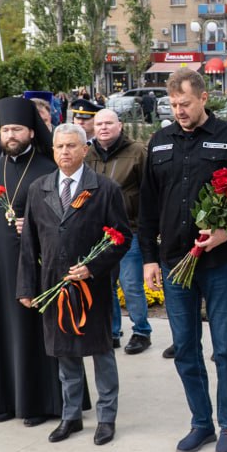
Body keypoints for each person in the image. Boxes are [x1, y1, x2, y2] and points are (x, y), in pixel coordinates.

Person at [140, 66, 227, 452]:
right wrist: (148, 259)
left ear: (203, 99)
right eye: (174, 104)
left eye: (186, 104)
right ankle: (200, 423)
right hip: (176, 263)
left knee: (226, 347)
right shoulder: (159, 142)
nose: (179, 111)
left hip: (220, 263)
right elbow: (146, 207)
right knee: (186, 348)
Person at [19, 123, 130, 445]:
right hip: (54, 284)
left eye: (71, 146)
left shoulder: (104, 189)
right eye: (59, 147)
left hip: (91, 288)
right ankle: (71, 416)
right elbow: (29, 244)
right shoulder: (39, 189)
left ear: (85, 150)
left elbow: (122, 238)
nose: (65, 152)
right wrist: (27, 287)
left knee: (101, 353)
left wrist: (93, 267)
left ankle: (106, 417)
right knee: (65, 355)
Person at [0, 97, 72, 425]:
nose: (10, 135)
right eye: (5, 130)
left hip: (39, 264)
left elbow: (67, 216)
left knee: (34, 332)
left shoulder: (49, 168)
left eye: (16, 129)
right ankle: (3, 401)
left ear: (32, 131)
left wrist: (35, 220)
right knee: (1, 329)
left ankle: (40, 404)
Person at [86, 108, 152, 355]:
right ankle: (112, 331)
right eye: (99, 123)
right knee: (105, 284)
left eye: (108, 123)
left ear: (120, 125)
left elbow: (148, 191)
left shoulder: (136, 152)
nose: (103, 128)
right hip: (98, 233)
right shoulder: (88, 152)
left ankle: (141, 331)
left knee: (131, 283)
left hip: (128, 230)